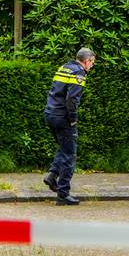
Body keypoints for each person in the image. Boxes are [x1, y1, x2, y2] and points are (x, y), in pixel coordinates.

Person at [43, 47, 96, 205]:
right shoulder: (78, 73)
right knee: (70, 155)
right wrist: (73, 118)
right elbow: (72, 99)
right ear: (86, 61)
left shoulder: (64, 67)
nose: (92, 65)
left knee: (64, 148)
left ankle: (52, 176)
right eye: (92, 62)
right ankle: (63, 194)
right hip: (63, 117)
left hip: (50, 113)